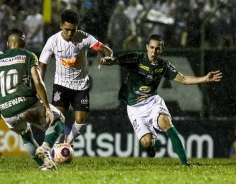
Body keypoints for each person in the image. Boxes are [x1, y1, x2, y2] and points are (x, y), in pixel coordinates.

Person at [100, 34, 222, 166]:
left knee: (165, 122)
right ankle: (151, 145)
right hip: (134, 108)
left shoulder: (163, 66)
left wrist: (204, 79)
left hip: (152, 102)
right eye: (151, 47)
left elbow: (184, 79)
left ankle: (185, 163)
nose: (154, 51)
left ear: (161, 50)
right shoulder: (136, 58)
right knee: (146, 142)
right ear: (147, 47)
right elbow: (115, 60)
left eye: (157, 49)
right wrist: (105, 61)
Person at [0, 29, 65, 171]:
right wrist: (46, 108)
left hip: (7, 112)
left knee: (26, 135)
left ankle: (45, 167)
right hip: (27, 104)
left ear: (8, 44)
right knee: (59, 119)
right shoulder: (28, 56)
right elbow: (38, 81)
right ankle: (45, 148)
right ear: (24, 43)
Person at [39, 9, 113, 146]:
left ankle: (68, 142)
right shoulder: (52, 41)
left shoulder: (85, 38)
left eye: (73, 30)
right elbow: (42, 64)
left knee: (81, 120)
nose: (70, 33)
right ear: (61, 25)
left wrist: (105, 57)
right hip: (61, 84)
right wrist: (40, 85)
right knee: (58, 119)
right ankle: (56, 149)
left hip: (81, 85)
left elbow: (106, 50)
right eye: (67, 29)